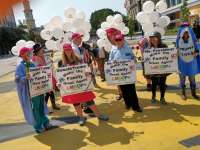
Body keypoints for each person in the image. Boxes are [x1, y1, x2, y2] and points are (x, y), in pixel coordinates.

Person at [59, 43, 109, 126]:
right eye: (66, 50)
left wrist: (89, 74)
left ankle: (99, 115)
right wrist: (59, 83)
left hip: (82, 84)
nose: (68, 51)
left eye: (69, 49)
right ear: (64, 51)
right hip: (71, 87)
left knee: (89, 100)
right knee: (76, 103)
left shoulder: (78, 59)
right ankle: (81, 118)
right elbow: (60, 76)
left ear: (71, 50)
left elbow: (85, 70)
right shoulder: (61, 63)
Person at [15, 47, 53, 133]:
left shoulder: (32, 63)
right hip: (30, 93)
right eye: (28, 53)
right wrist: (25, 78)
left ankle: (45, 122)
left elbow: (39, 75)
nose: (30, 54)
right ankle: (38, 125)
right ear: (24, 54)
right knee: (35, 108)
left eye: (30, 52)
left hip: (38, 90)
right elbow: (17, 80)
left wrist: (47, 86)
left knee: (41, 107)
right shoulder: (20, 66)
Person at [109, 34, 142, 112]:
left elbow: (133, 58)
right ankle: (128, 103)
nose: (118, 41)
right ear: (115, 41)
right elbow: (110, 61)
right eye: (117, 40)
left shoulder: (128, 49)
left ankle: (136, 106)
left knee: (132, 90)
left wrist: (134, 60)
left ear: (123, 40)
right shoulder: (113, 50)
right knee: (124, 90)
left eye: (120, 40)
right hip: (119, 74)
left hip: (129, 74)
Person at [32, 44, 60, 110]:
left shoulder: (43, 56)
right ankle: (44, 108)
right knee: (46, 93)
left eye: (42, 49)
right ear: (37, 51)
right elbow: (36, 69)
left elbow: (48, 63)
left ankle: (53, 105)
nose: (42, 50)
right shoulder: (34, 58)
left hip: (48, 76)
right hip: (41, 78)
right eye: (41, 49)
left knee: (51, 91)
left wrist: (50, 61)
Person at [176, 22, 200, 100]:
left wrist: (196, 52)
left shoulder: (193, 41)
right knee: (182, 79)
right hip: (182, 63)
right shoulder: (178, 42)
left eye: (187, 33)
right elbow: (175, 52)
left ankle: (193, 93)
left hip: (191, 63)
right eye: (184, 33)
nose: (185, 34)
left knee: (192, 79)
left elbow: (197, 50)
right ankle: (183, 94)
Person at [148, 31, 169, 105]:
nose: (153, 39)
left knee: (162, 84)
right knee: (154, 84)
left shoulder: (164, 46)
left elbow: (169, 56)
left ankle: (162, 98)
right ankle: (153, 97)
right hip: (154, 70)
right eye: (152, 38)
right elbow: (148, 59)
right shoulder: (149, 48)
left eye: (155, 38)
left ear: (159, 38)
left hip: (163, 69)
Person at [105, 28, 123, 101]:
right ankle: (120, 93)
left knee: (126, 82)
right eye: (109, 36)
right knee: (118, 81)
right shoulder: (112, 46)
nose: (111, 37)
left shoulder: (123, 42)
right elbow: (111, 58)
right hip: (116, 67)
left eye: (112, 35)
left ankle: (125, 94)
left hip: (124, 67)